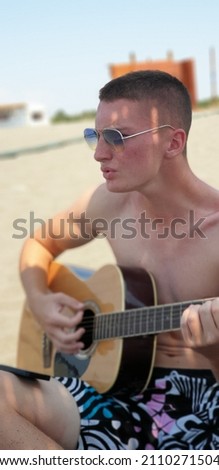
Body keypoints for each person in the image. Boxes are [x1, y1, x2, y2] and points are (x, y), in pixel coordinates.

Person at [1, 70, 219, 450]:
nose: (100, 154)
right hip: (109, 386)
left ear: (172, 142)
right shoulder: (111, 202)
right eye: (95, 136)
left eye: (116, 138)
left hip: (200, 405)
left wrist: (215, 352)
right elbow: (40, 243)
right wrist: (38, 298)